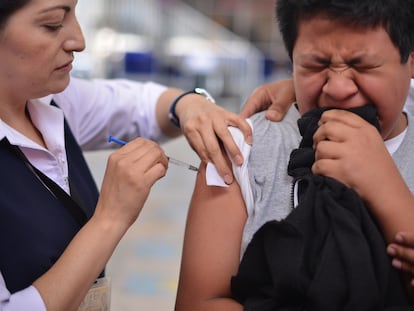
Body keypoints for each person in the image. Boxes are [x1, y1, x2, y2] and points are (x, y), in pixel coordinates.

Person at [0, 0, 275, 310]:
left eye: (76, 13)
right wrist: (110, 218)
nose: (79, 40)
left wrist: (188, 104)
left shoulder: (49, 101)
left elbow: (139, 105)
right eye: (52, 24)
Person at [175, 0, 414, 309]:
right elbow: (198, 302)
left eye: (363, 66)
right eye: (315, 65)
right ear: (291, 61)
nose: (339, 88)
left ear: (410, 60)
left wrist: (382, 184)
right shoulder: (239, 148)